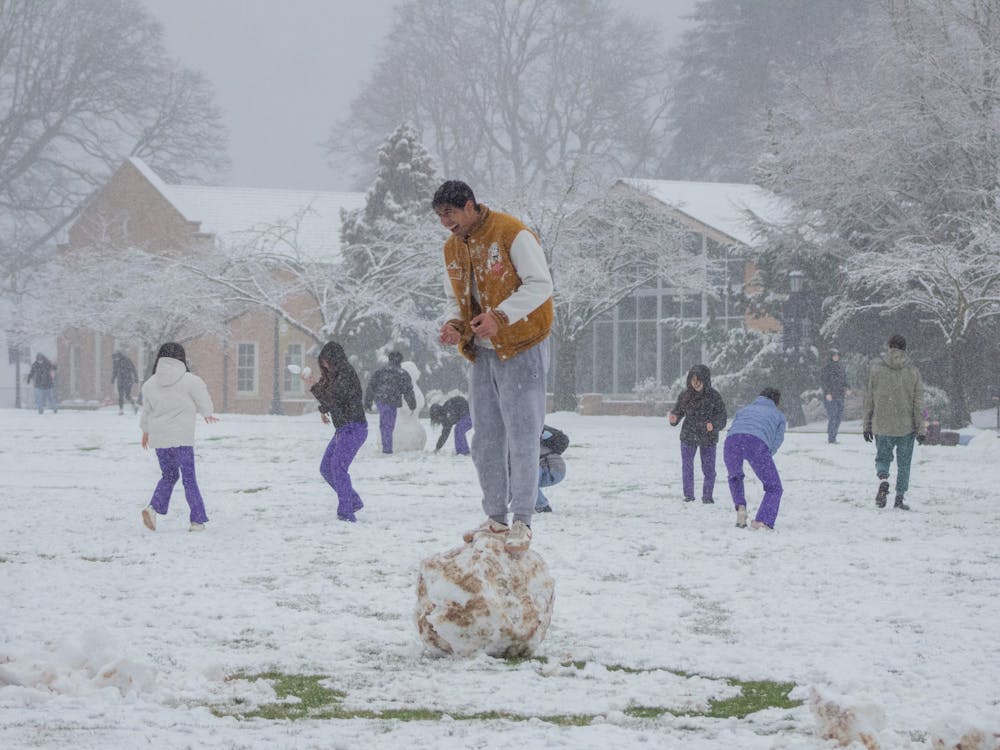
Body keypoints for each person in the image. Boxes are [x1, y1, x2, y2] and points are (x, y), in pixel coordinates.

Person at [433, 180, 554, 553]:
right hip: (482, 352)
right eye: (439, 217)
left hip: (522, 345)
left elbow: (540, 285)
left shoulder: (512, 233)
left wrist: (502, 317)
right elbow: (461, 301)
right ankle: (496, 519)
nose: (445, 223)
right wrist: (455, 324)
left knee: (522, 434)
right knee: (486, 439)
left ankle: (523, 520)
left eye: (450, 214)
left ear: (469, 206)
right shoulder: (452, 249)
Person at [139, 343, 219, 532]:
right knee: (189, 479)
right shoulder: (190, 380)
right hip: (182, 440)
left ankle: (153, 508)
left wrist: (145, 432)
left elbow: (147, 412)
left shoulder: (150, 384)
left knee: (169, 475)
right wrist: (207, 413)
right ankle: (197, 521)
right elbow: (203, 400)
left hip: (160, 441)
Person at [304, 341, 368, 522]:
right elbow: (331, 400)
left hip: (354, 428)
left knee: (338, 468)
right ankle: (353, 500)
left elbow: (335, 400)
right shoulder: (336, 375)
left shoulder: (346, 374)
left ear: (334, 360)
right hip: (342, 429)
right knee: (326, 468)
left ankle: (346, 513)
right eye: (322, 363)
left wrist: (317, 393)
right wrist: (322, 407)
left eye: (326, 362)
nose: (325, 366)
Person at [862, 334, 926, 511]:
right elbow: (918, 403)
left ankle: (883, 480)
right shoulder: (913, 372)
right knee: (904, 463)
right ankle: (899, 498)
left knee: (882, 458)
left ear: (889, 347)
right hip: (906, 426)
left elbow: (869, 399)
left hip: (882, 424)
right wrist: (921, 428)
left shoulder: (876, 370)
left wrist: (867, 424)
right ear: (905, 349)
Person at [724, 388, 787, 530]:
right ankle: (762, 521)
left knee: (735, 476)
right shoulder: (779, 416)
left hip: (732, 441)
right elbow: (777, 440)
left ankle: (741, 508)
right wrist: (764, 456)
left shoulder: (744, 410)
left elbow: (734, 427)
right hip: (757, 442)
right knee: (774, 487)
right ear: (776, 403)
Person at [668, 364, 727, 504]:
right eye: (693, 379)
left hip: (708, 437)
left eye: (698, 379)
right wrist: (674, 418)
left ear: (705, 380)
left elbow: (722, 417)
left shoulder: (714, 396)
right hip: (689, 435)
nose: (695, 382)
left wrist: (713, 425)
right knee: (687, 466)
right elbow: (678, 411)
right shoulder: (685, 395)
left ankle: (707, 497)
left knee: (709, 468)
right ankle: (688, 496)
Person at [363, 351, 417, 454]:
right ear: (400, 360)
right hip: (392, 401)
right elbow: (408, 391)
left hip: (380, 400)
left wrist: (368, 402)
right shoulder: (402, 373)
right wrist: (412, 405)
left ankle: (386, 447)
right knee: (388, 425)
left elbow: (371, 386)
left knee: (385, 424)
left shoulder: (380, 371)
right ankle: (387, 449)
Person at [535, 425, 567, 513]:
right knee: (521, 481)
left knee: (526, 482)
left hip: (552, 469)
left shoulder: (531, 440)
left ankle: (542, 506)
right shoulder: (534, 435)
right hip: (555, 469)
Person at [820, 348, 849, 443]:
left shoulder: (840, 368)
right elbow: (824, 382)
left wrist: (848, 387)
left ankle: (833, 434)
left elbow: (844, 380)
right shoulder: (826, 368)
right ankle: (831, 437)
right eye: (834, 355)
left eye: (837, 356)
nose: (836, 357)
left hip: (840, 395)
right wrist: (827, 393)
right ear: (831, 356)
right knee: (833, 416)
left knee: (838, 417)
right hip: (830, 397)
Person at [111, 350, 139, 415]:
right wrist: (113, 378)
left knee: (127, 395)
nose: (116, 359)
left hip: (128, 380)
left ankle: (134, 406)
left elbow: (133, 369)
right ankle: (121, 410)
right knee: (120, 396)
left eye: (117, 358)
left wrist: (136, 378)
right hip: (120, 381)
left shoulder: (127, 360)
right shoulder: (115, 362)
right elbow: (114, 371)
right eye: (115, 358)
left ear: (119, 356)